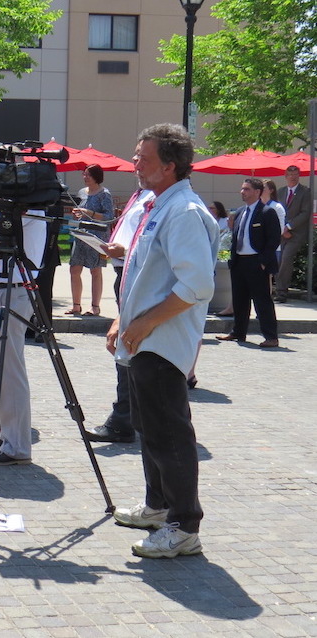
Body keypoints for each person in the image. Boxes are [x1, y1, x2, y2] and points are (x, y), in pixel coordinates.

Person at [108, 123, 217, 559]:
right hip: (144, 338)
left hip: (162, 341)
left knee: (169, 434)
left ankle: (183, 525)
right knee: (149, 430)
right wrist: (124, 319)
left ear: (170, 166)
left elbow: (196, 286)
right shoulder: (158, 203)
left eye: (144, 157)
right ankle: (158, 506)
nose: (135, 163)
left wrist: (144, 323)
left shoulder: (184, 211)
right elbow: (142, 273)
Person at [0, 173, 47, 466]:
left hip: (12, 291)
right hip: (0, 290)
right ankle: (8, 433)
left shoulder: (28, 208)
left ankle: (17, 444)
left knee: (9, 369)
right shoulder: (13, 208)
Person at [84, 187, 154, 444]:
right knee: (127, 346)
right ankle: (129, 415)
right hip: (125, 273)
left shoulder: (158, 197)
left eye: (143, 158)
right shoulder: (140, 194)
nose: (136, 163)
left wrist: (123, 252)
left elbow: (150, 248)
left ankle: (124, 418)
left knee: (128, 346)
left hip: (135, 274)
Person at [216, 178, 280, 348]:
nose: (242, 192)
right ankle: (238, 332)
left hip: (257, 262)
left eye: (247, 189)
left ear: (257, 192)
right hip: (239, 261)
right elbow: (236, 237)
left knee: (262, 300)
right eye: (242, 189)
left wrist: (263, 262)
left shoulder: (267, 212)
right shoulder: (239, 212)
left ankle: (271, 336)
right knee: (239, 299)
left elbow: (273, 239)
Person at [66, 165, 114, 317]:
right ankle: (76, 305)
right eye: (84, 174)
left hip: (97, 235)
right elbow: (81, 212)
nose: (85, 177)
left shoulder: (104, 194)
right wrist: (77, 214)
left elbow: (109, 216)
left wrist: (89, 213)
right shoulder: (81, 192)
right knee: (74, 269)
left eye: (88, 175)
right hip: (81, 234)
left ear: (96, 177)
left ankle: (95, 306)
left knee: (95, 270)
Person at [275, 165, 312, 302]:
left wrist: (289, 227)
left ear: (299, 175)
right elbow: (278, 211)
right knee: (277, 260)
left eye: (296, 174)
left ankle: (281, 292)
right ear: (286, 176)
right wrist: (282, 228)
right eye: (290, 175)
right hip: (281, 233)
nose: (293, 177)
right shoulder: (281, 192)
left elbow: (305, 213)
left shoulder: (305, 192)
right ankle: (276, 288)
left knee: (286, 259)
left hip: (296, 234)